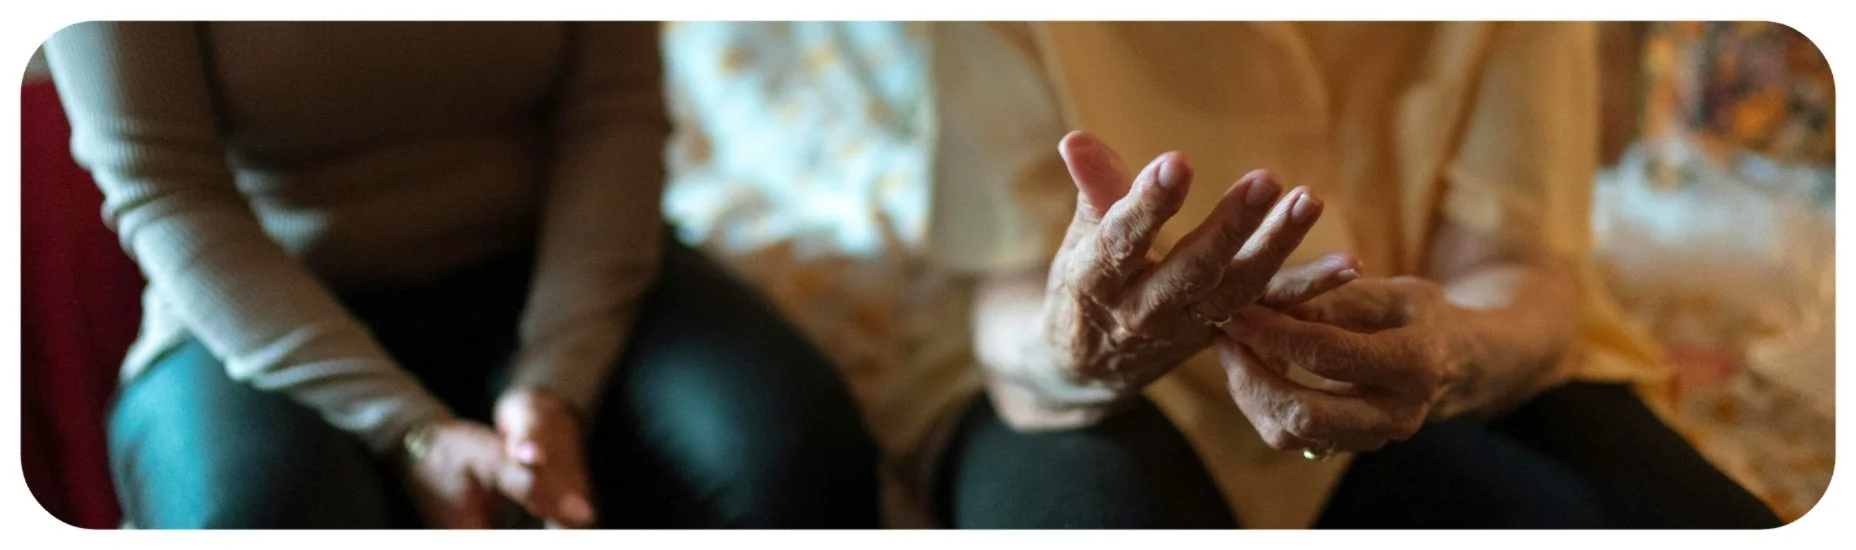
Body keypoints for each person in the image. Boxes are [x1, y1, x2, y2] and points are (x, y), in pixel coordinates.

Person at [900, 22, 1784, 528]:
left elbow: (1513, 261)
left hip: (1456, 353)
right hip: (1080, 392)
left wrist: (1456, 348)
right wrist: (1073, 355)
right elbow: (1007, 284)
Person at [43, 22, 879, 529]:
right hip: (266, 305)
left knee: (797, 453)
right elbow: (162, 183)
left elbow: (613, 112)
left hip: (562, 263)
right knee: (253, 520)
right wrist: (408, 430)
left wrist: (556, 380)